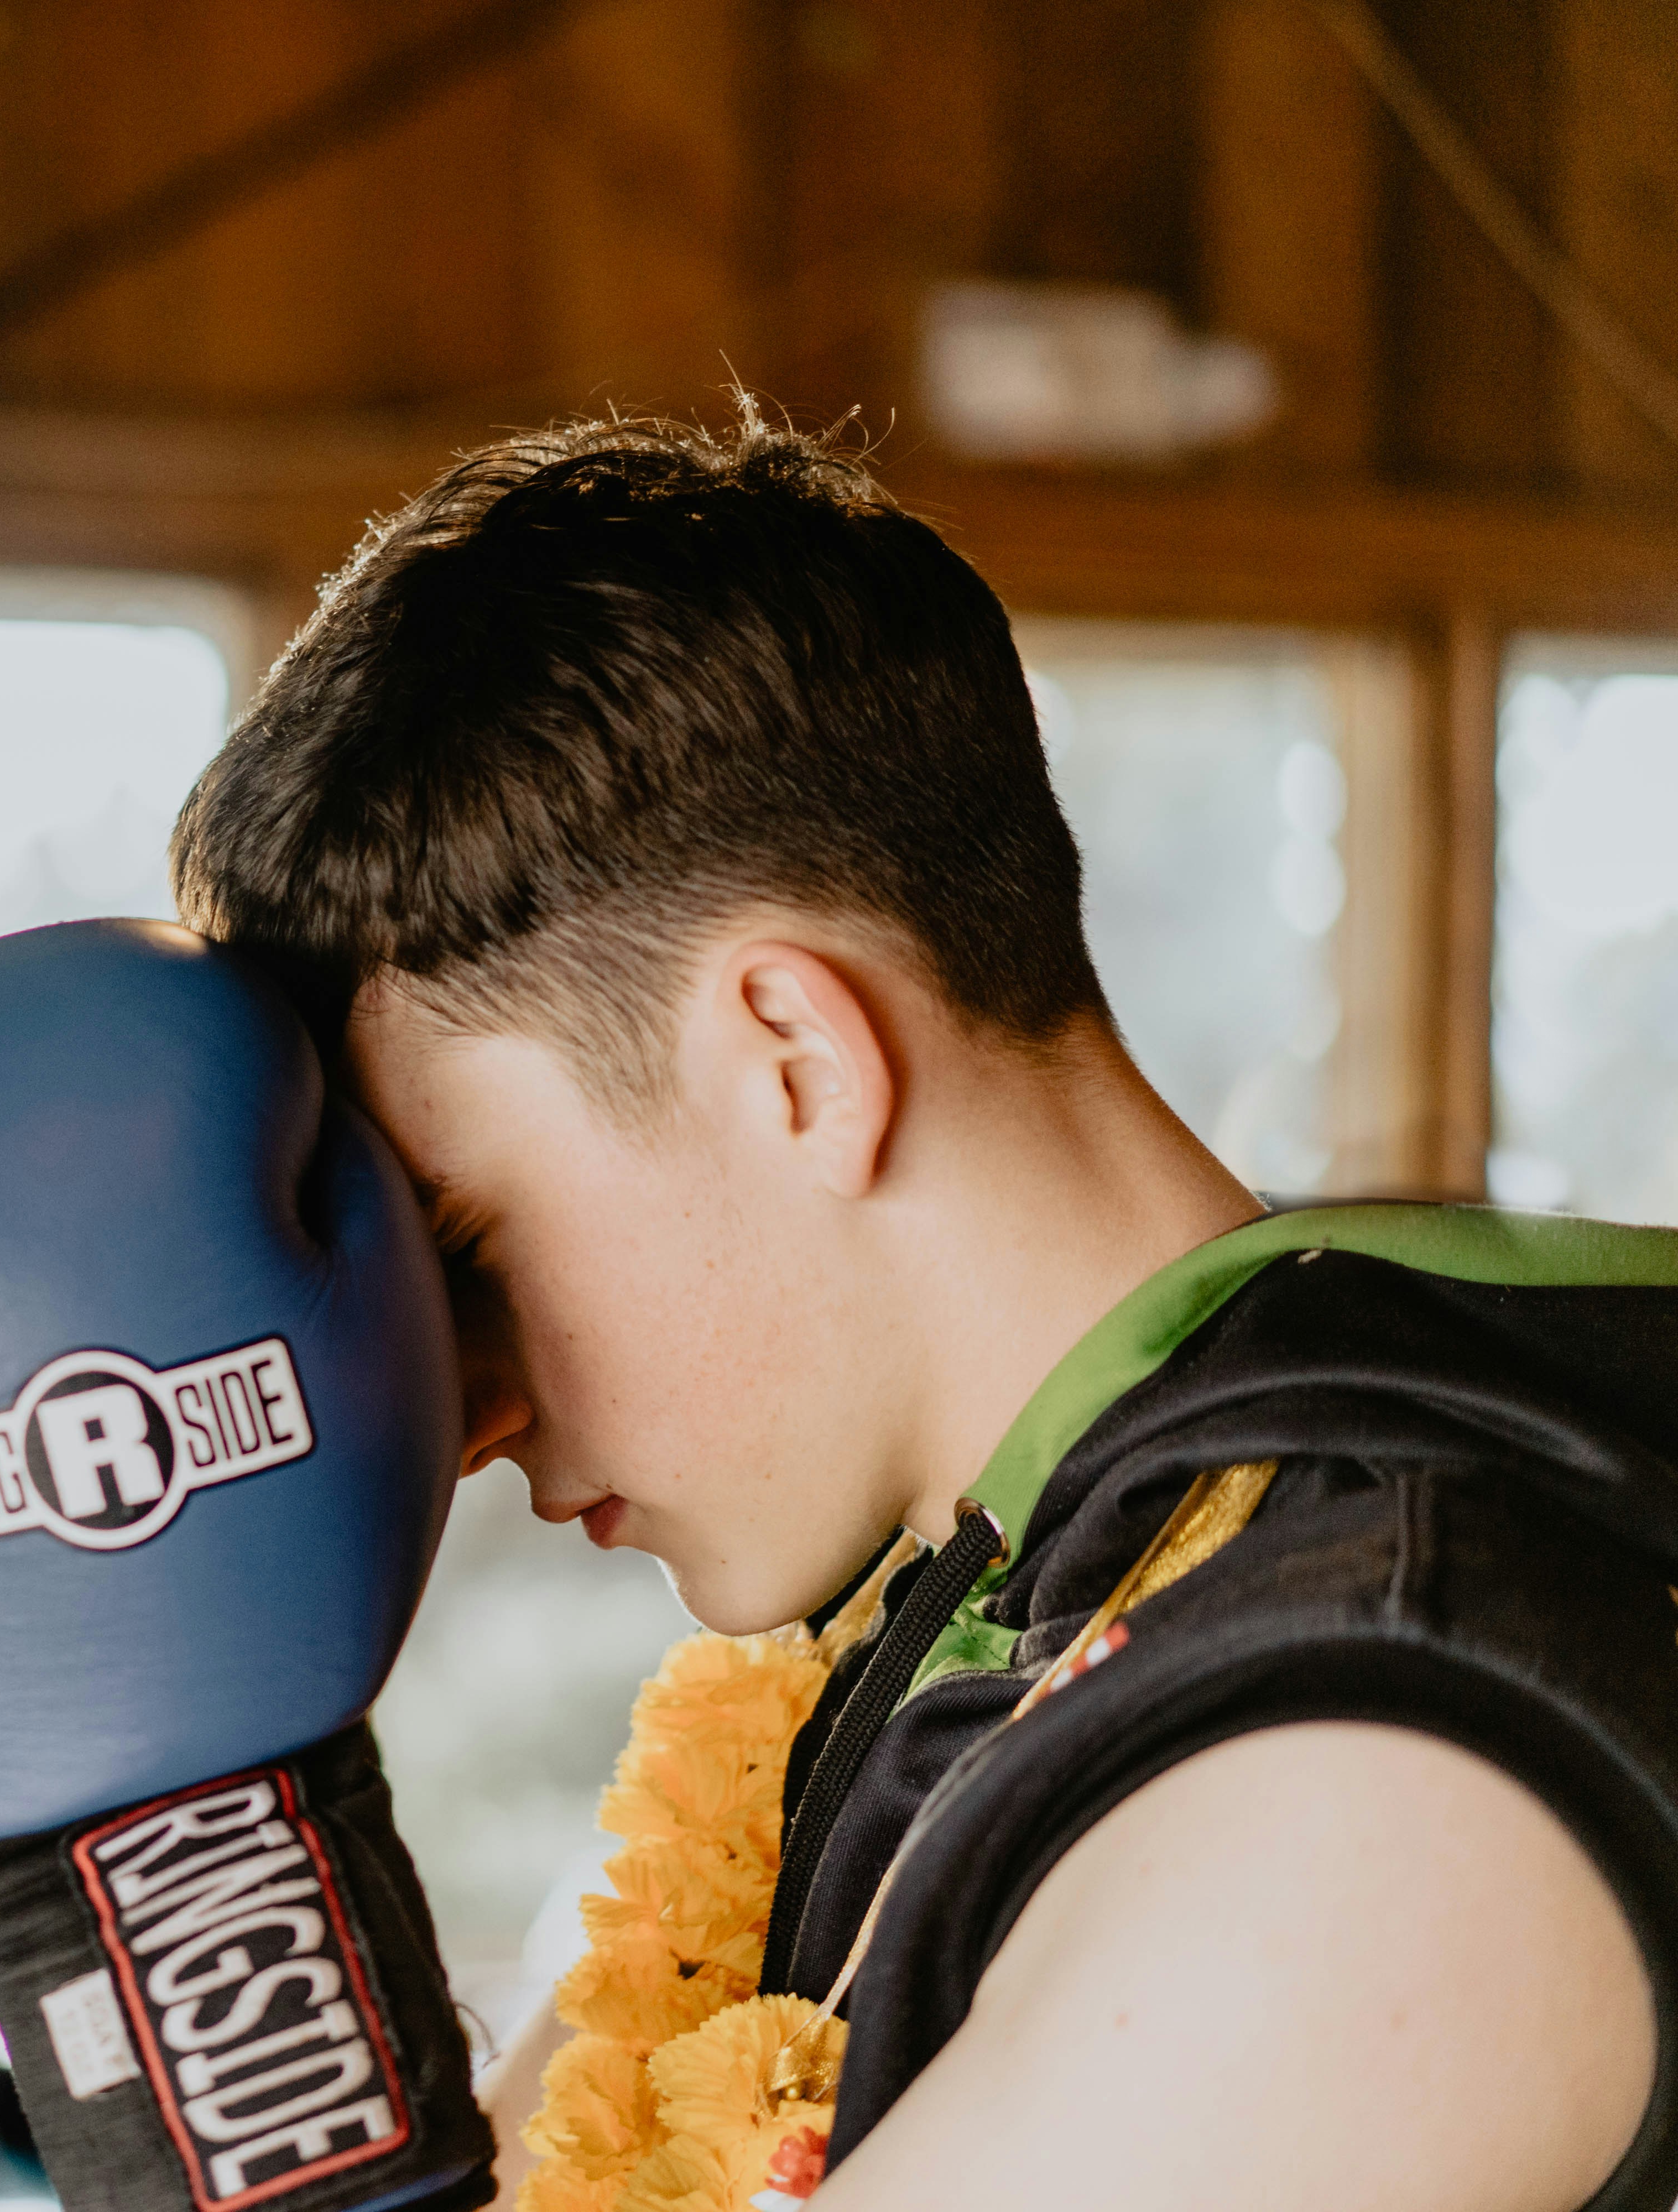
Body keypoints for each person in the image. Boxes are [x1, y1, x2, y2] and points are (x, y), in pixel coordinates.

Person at [168, 415, 1678, 2210]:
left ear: (794, 1061)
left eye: (469, 1249)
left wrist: (134, 1859)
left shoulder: (1373, 1765)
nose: (470, 1417)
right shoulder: (962, 1604)